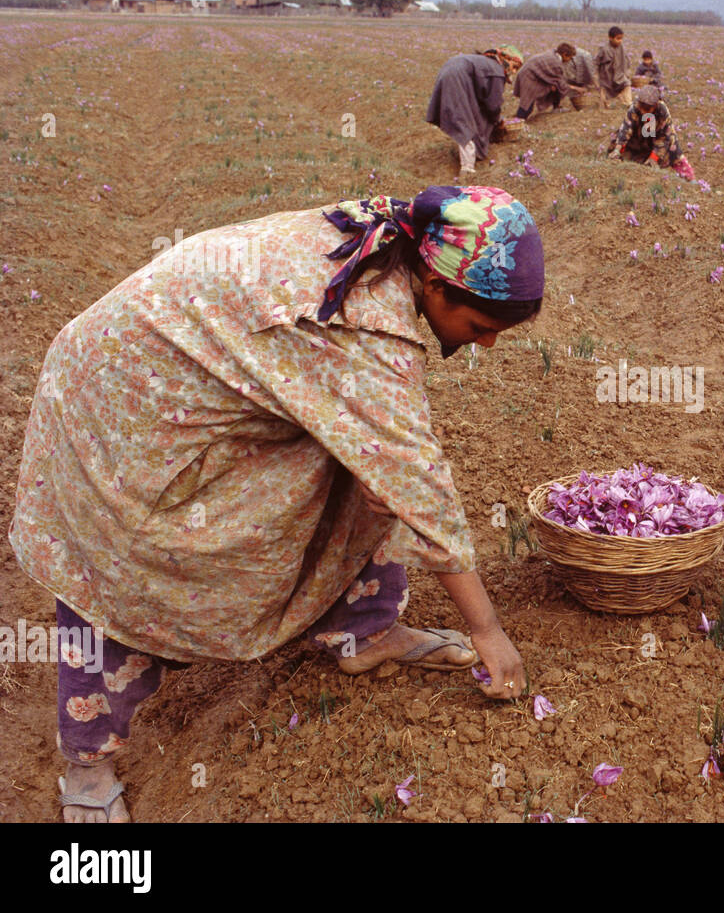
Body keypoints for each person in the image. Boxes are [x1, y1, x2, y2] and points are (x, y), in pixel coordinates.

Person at [10, 185, 544, 822]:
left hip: (174, 375)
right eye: (481, 327)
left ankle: (364, 629)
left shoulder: (386, 238)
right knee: (123, 569)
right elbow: (417, 483)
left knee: (357, 456)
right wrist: (488, 630)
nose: (484, 346)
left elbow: (389, 464)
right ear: (434, 285)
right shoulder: (367, 325)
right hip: (119, 408)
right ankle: (88, 766)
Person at [425, 46, 525, 176]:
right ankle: (467, 169)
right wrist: (497, 121)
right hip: (456, 77)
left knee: (465, 116)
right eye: (514, 66)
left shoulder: (488, 63)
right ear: (505, 58)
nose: (513, 70)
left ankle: (466, 156)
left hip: (448, 69)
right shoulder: (498, 71)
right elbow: (493, 105)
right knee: (464, 123)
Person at [606, 85, 694, 179]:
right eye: (642, 107)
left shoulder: (662, 111)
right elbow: (626, 130)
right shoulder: (634, 108)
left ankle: (688, 178)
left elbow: (663, 138)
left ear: (655, 105)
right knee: (617, 142)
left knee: (673, 147)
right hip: (638, 138)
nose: (644, 112)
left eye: (647, 109)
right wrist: (617, 150)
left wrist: (654, 158)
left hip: (657, 140)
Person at [514, 43, 585, 120]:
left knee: (555, 86)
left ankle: (556, 107)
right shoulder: (555, 63)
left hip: (535, 74)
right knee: (527, 104)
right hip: (528, 77)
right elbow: (561, 84)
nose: (570, 60)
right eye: (570, 58)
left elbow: (554, 78)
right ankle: (519, 121)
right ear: (564, 54)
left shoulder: (555, 53)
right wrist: (577, 88)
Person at [595, 25, 632, 109]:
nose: (620, 41)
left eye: (621, 38)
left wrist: (627, 72)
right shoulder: (604, 49)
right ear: (610, 38)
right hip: (607, 77)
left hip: (619, 75)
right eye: (618, 38)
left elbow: (626, 61)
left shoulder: (621, 48)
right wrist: (596, 75)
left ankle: (628, 103)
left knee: (627, 84)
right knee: (604, 93)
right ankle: (603, 106)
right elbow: (596, 62)